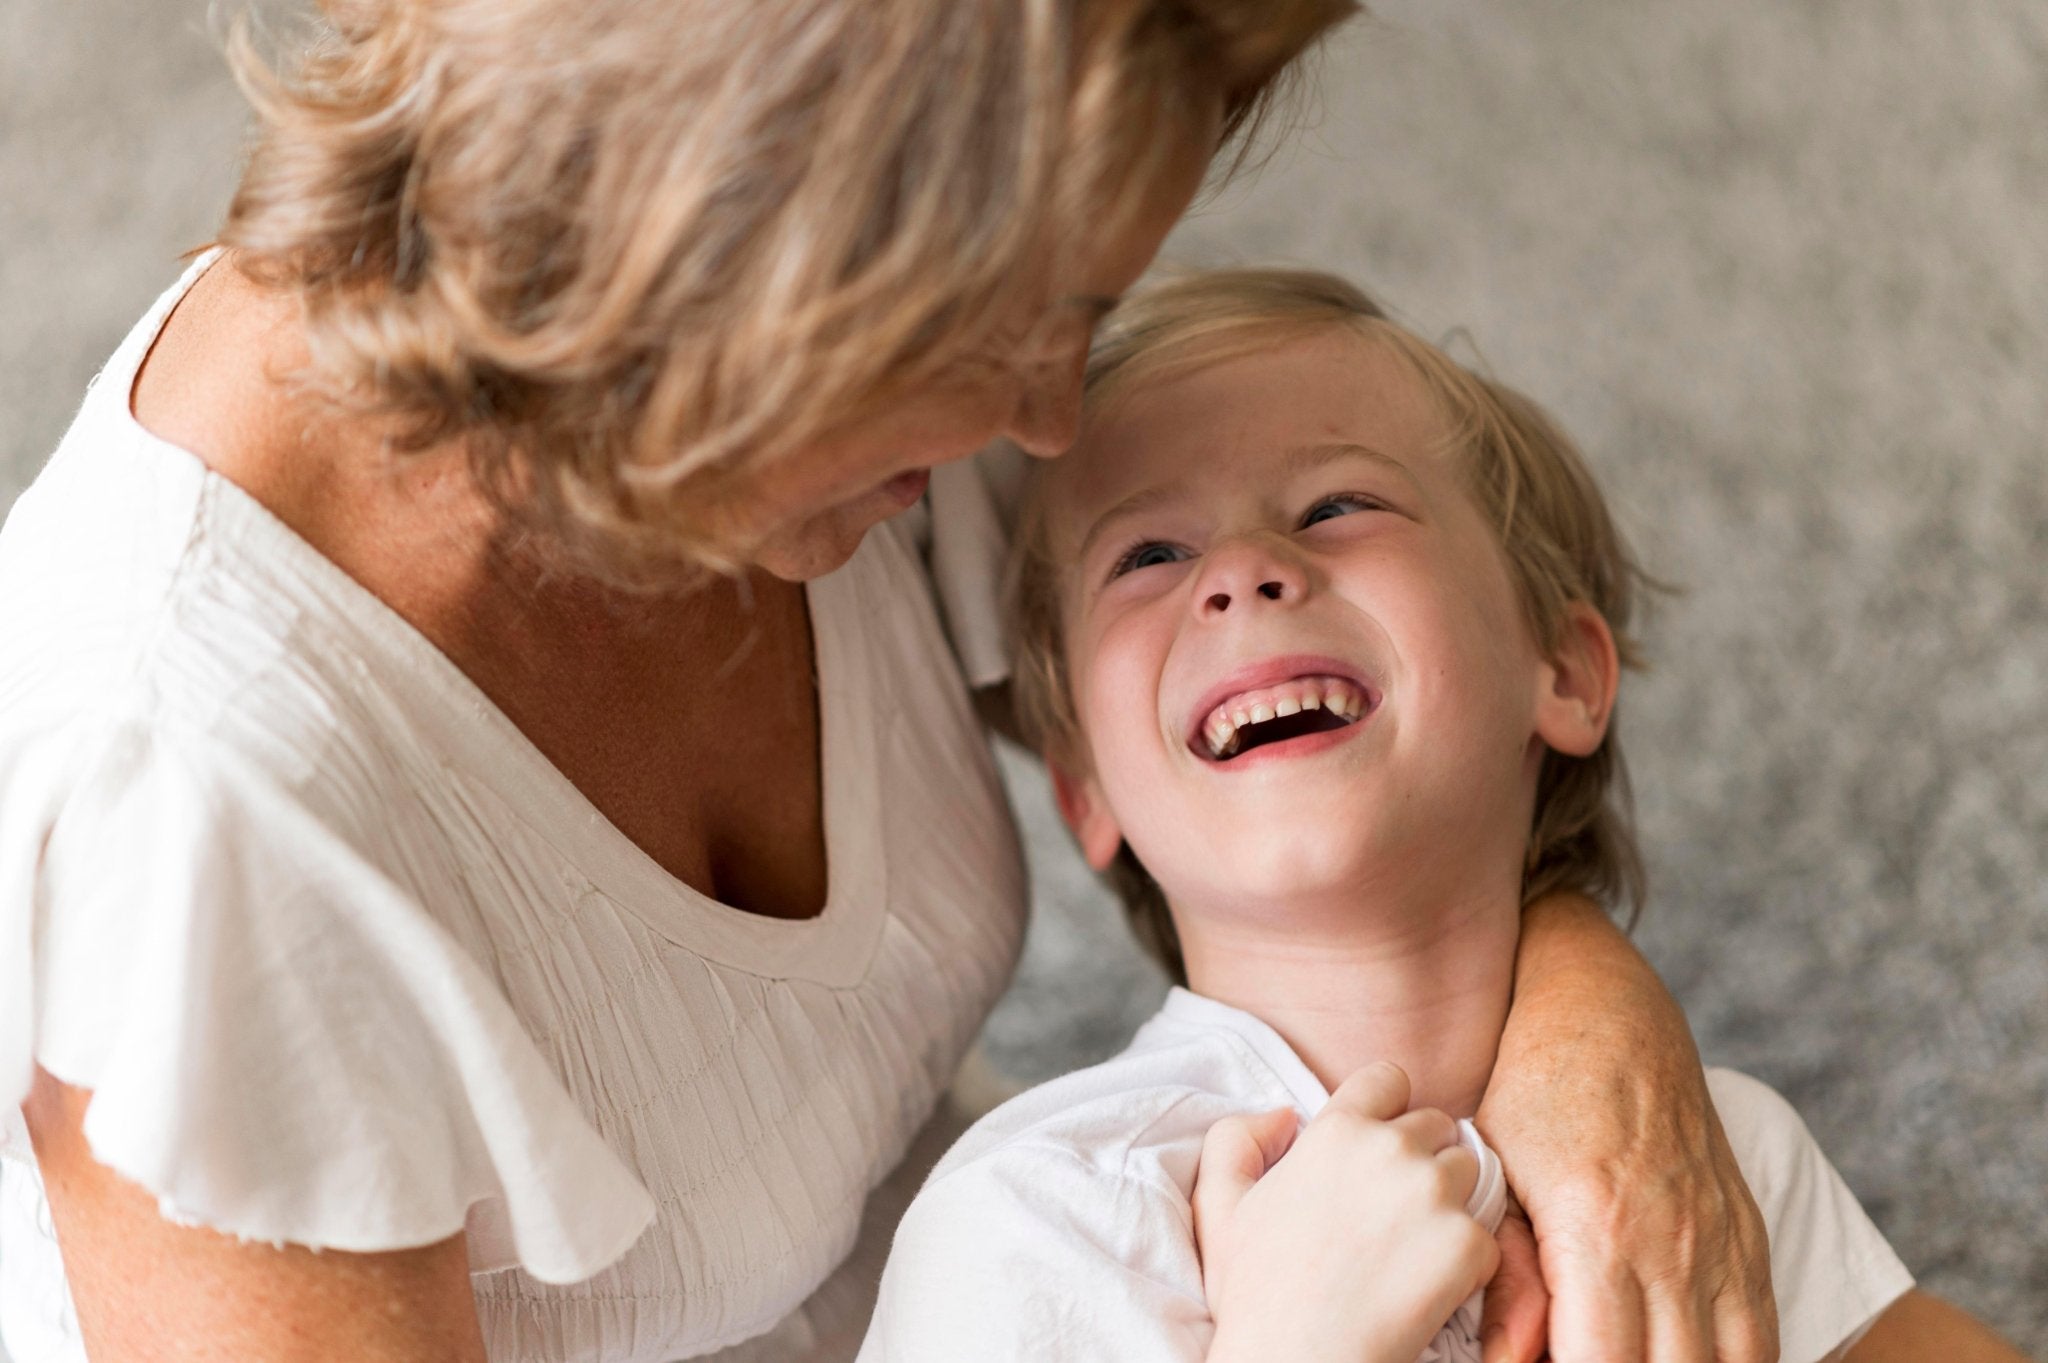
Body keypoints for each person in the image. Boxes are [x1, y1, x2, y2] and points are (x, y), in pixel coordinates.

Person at [0, 5, 1769, 1361]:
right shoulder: (191, 810)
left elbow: (1354, 745)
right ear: (735, 283)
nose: (1055, 417)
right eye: (1007, 331)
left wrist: (1582, 1036)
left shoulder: (829, 425)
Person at [860, 269, 2032, 1363]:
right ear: (1083, 788)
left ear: (1563, 674)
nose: (1241, 571)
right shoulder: (1041, 1213)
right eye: (1148, 554)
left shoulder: (1705, 1162)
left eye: (1333, 505)